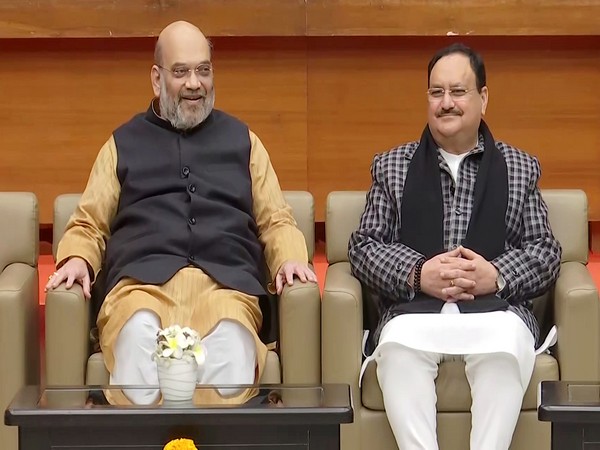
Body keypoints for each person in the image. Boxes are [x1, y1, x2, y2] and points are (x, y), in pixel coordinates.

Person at [46, 20, 317, 405]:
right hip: (141, 287)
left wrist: (289, 257)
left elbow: (275, 217)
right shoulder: (122, 144)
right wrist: (77, 258)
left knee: (231, 344)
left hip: (225, 287)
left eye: (203, 70)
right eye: (181, 71)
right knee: (139, 337)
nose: (195, 83)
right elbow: (90, 220)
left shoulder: (245, 142)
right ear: (157, 79)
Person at [348, 43, 561, 450]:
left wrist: (496, 275)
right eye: (436, 92)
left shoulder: (519, 167)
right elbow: (363, 246)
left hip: (496, 313)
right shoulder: (392, 166)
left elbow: (545, 251)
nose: (446, 103)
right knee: (398, 353)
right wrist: (417, 272)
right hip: (414, 313)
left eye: (458, 92)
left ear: (483, 97)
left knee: (502, 353)